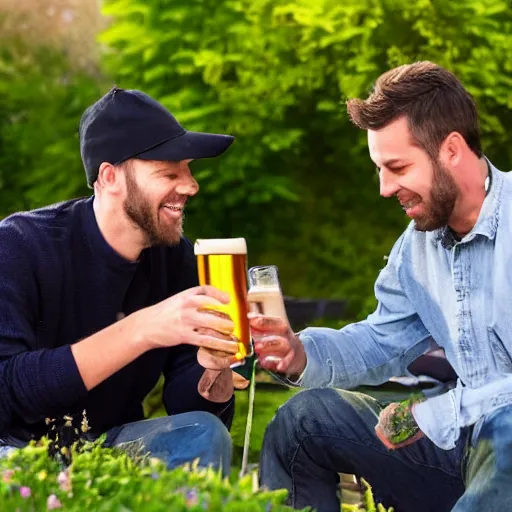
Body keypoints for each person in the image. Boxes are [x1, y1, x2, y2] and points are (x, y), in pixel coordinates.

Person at [253, 61, 512, 511]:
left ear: (451, 149)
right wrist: (300, 354)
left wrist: (434, 414)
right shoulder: (416, 250)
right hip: (463, 451)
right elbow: (379, 341)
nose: (384, 188)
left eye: (396, 167)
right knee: (304, 421)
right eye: (379, 169)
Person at [0, 87, 241, 476]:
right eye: (169, 172)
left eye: (189, 170)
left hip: (113, 446)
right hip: (17, 451)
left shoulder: (176, 256)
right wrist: (142, 329)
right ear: (109, 177)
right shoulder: (18, 244)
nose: (191, 185)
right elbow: (5, 391)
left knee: (203, 432)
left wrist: (212, 372)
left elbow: (188, 408)